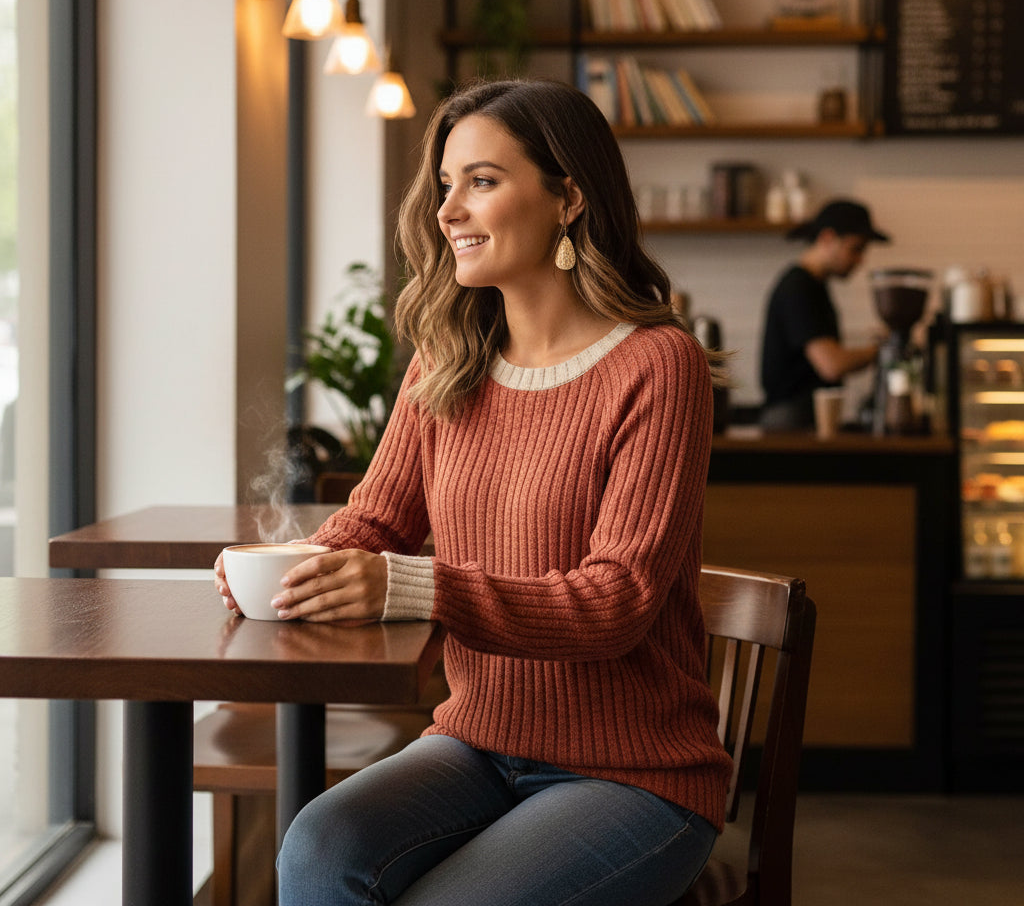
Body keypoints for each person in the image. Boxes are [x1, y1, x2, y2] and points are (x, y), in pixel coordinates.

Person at [214, 78, 732, 906]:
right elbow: (377, 521)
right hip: (477, 743)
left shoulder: (656, 364)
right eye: (447, 184)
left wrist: (412, 584)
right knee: (317, 849)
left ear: (569, 197)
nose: (449, 209)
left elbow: (619, 600)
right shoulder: (449, 358)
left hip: (635, 774)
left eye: (483, 181)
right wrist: (288, 568)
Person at [759, 198, 889, 431]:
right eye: (856, 249)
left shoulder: (813, 286)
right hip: (790, 422)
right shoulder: (798, 288)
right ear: (828, 238)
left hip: (800, 418)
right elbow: (831, 365)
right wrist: (879, 350)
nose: (861, 260)